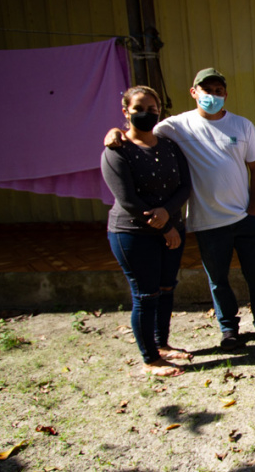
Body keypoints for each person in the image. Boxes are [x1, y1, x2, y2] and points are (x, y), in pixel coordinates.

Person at [105, 69, 255, 349]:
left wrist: (253, 208)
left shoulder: (242, 126)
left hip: (245, 219)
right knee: (218, 281)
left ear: (225, 94)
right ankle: (229, 329)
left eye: (218, 91)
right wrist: (115, 132)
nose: (212, 95)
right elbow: (140, 132)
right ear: (194, 93)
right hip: (207, 222)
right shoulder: (176, 126)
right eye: (206, 90)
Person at [101, 86, 192, 377]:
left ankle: (161, 344)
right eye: (139, 108)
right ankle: (150, 359)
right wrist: (164, 226)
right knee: (145, 294)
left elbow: (185, 186)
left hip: (171, 230)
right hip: (134, 234)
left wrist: (168, 214)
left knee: (166, 289)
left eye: (152, 109)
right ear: (125, 112)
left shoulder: (169, 147)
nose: (146, 114)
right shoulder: (117, 151)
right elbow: (128, 200)